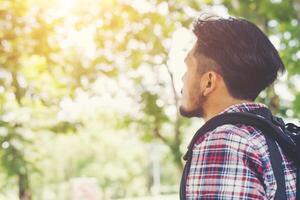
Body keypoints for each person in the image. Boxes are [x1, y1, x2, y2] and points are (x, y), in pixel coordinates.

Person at [179, 16, 297, 199]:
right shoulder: (273, 137)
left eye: (188, 68)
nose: (183, 78)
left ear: (208, 82)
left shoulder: (224, 142)